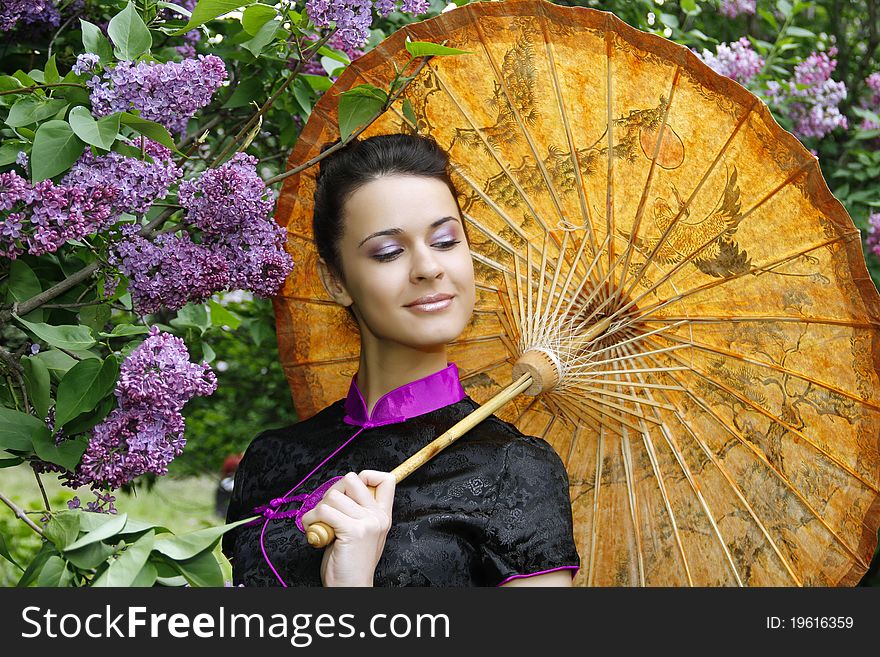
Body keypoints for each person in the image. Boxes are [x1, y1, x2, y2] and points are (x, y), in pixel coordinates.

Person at [222, 133, 580, 587]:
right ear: (335, 281)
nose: (428, 267)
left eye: (446, 241)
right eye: (389, 251)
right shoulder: (271, 458)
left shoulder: (515, 469)